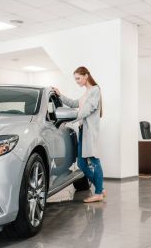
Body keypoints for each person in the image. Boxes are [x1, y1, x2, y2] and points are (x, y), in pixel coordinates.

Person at [53, 66, 105, 203]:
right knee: (81, 164)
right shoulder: (87, 92)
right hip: (83, 130)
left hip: (89, 131)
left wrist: (69, 120)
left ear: (86, 75)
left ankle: (99, 192)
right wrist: (60, 95)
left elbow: (87, 110)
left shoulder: (95, 90)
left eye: (78, 78)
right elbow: (74, 103)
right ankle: (100, 188)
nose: (77, 81)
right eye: (75, 79)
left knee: (94, 160)